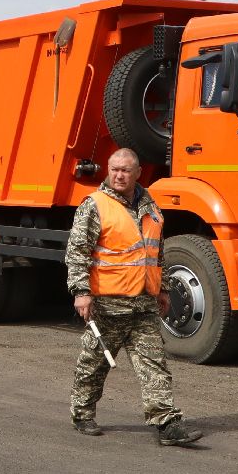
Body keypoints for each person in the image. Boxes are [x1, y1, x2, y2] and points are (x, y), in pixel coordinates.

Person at [65, 148, 202, 446]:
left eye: (125, 170)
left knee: (154, 364)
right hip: (107, 304)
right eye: (114, 169)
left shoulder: (150, 205)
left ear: (138, 172)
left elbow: (156, 253)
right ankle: (82, 413)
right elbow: (77, 252)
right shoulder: (95, 205)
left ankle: (167, 423)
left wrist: (163, 288)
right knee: (94, 363)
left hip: (143, 304)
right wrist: (81, 292)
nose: (118, 174)